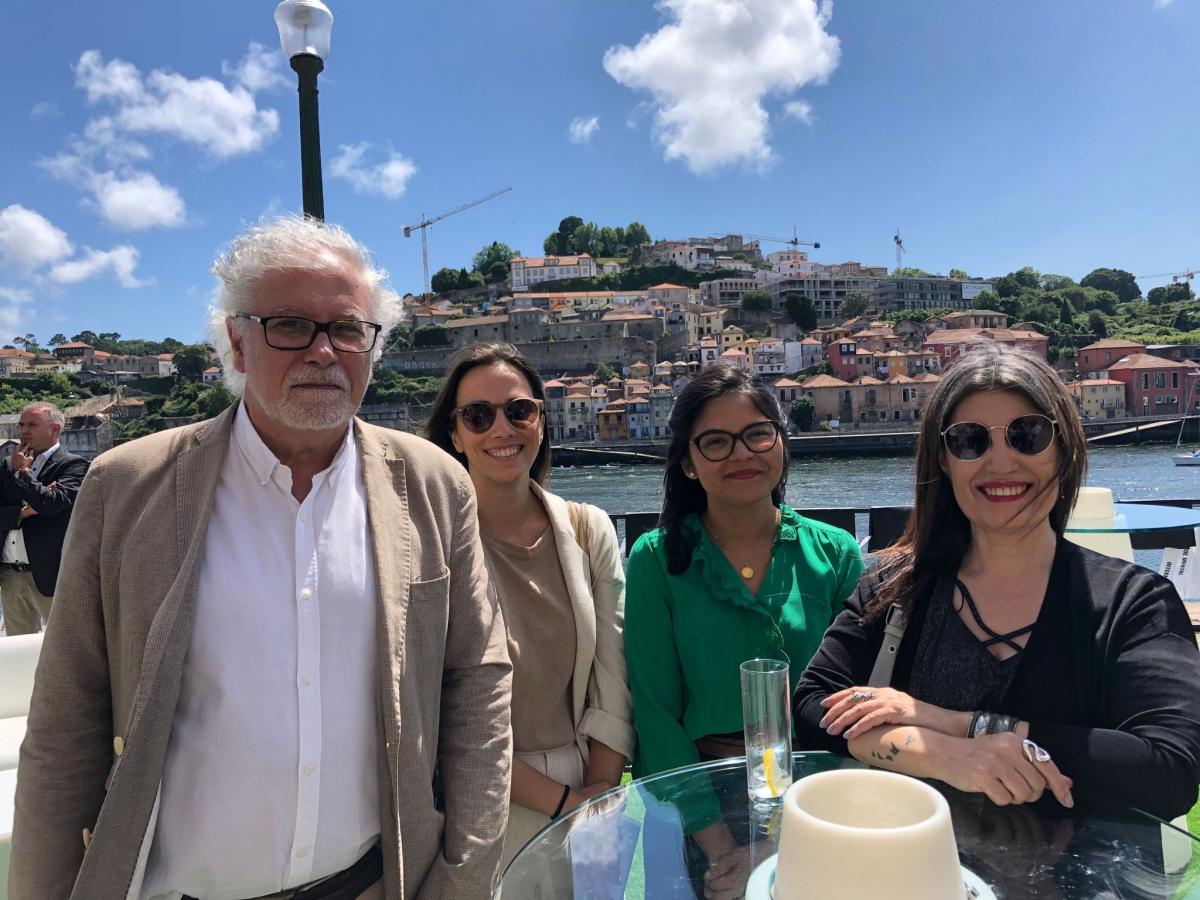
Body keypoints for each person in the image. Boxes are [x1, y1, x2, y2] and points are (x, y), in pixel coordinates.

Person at [9, 217, 513, 900]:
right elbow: (65, 725)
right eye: (290, 325)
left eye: (348, 329)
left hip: (375, 884)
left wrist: (464, 880)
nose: (324, 351)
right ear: (238, 342)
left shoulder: (435, 485)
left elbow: (478, 684)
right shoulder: (125, 486)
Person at [794, 345, 1200, 820]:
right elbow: (814, 705)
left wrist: (953, 724)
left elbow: (1170, 771)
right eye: (970, 440)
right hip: (924, 859)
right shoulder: (894, 586)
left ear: (1064, 449)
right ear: (943, 460)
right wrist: (942, 754)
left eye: (1028, 435)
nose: (1001, 463)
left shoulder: (1134, 602)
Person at [624, 363, 864, 898]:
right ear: (688, 463)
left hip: (820, 795)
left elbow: (858, 700)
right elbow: (656, 714)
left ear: (781, 443)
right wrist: (721, 846)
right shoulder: (656, 560)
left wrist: (791, 835)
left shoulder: (836, 554)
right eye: (716, 442)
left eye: (757, 434)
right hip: (702, 802)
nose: (741, 453)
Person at [424, 342, 634, 873]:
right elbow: (446, 709)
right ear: (455, 435)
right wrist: (565, 803)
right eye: (478, 415)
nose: (502, 429)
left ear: (541, 420)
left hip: (586, 784)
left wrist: (598, 791)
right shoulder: (433, 544)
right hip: (478, 798)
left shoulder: (588, 529)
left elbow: (613, 674)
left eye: (518, 410)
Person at [0, 402, 88, 634]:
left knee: (65, 643)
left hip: (50, 574)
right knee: (18, 648)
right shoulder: (7, 465)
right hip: (10, 576)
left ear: (55, 428)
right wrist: (22, 513)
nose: (23, 431)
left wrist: (24, 474)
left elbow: (52, 504)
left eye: (32, 425)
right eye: (21, 425)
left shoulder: (72, 465)